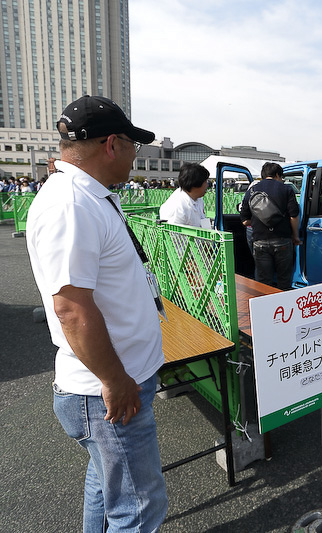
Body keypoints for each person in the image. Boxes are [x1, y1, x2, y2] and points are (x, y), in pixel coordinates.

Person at [26, 95, 167, 531]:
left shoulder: (88, 195)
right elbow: (71, 309)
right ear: (111, 144)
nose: (134, 156)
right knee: (139, 508)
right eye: (133, 146)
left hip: (113, 382)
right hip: (106, 389)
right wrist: (115, 379)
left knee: (105, 487)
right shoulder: (71, 204)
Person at [240, 162, 301, 290]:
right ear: (277, 175)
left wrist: (259, 221)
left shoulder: (252, 191)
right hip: (282, 240)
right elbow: (294, 216)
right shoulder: (286, 189)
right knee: (284, 280)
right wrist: (295, 236)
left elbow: (245, 221)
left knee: (263, 281)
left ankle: (264, 301)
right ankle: (283, 301)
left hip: (259, 241)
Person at [159, 162, 211, 227]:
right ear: (195, 183)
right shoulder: (178, 206)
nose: (207, 185)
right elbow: (173, 232)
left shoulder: (198, 199)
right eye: (205, 182)